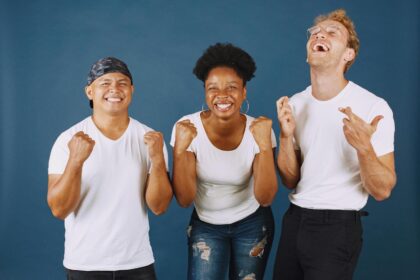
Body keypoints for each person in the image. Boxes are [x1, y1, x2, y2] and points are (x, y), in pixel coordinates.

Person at [273, 9, 396, 280]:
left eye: (332, 33)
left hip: (337, 227)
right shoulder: (295, 104)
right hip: (294, 220)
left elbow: (382, 190)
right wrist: (285, 135)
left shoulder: (373, 107)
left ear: (348, 55)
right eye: (315, 32)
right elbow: (290, 180)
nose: (319, 34)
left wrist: (364, 147)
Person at [47, 57, 173, 279]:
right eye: (105, 83)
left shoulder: (150, 139)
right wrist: (75, 161)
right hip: (84, 264)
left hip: (137, 263)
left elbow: (159, 207)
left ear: (131, 90)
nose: (114, 88)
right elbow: (59, 210)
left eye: (122, 82)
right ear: (89, 92)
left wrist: (157, 159)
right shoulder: (68, 140)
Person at [171, 43, 278, 280]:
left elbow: (266, 197)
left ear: (244, 92)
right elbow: (184, 198)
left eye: (232, 87)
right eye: (213, 88)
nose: (222, 95)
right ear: (205, 92)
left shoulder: (259, 130)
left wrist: (263, 145)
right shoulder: (187, 128)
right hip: (205, 224)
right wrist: (179, 151)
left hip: (252, 222)